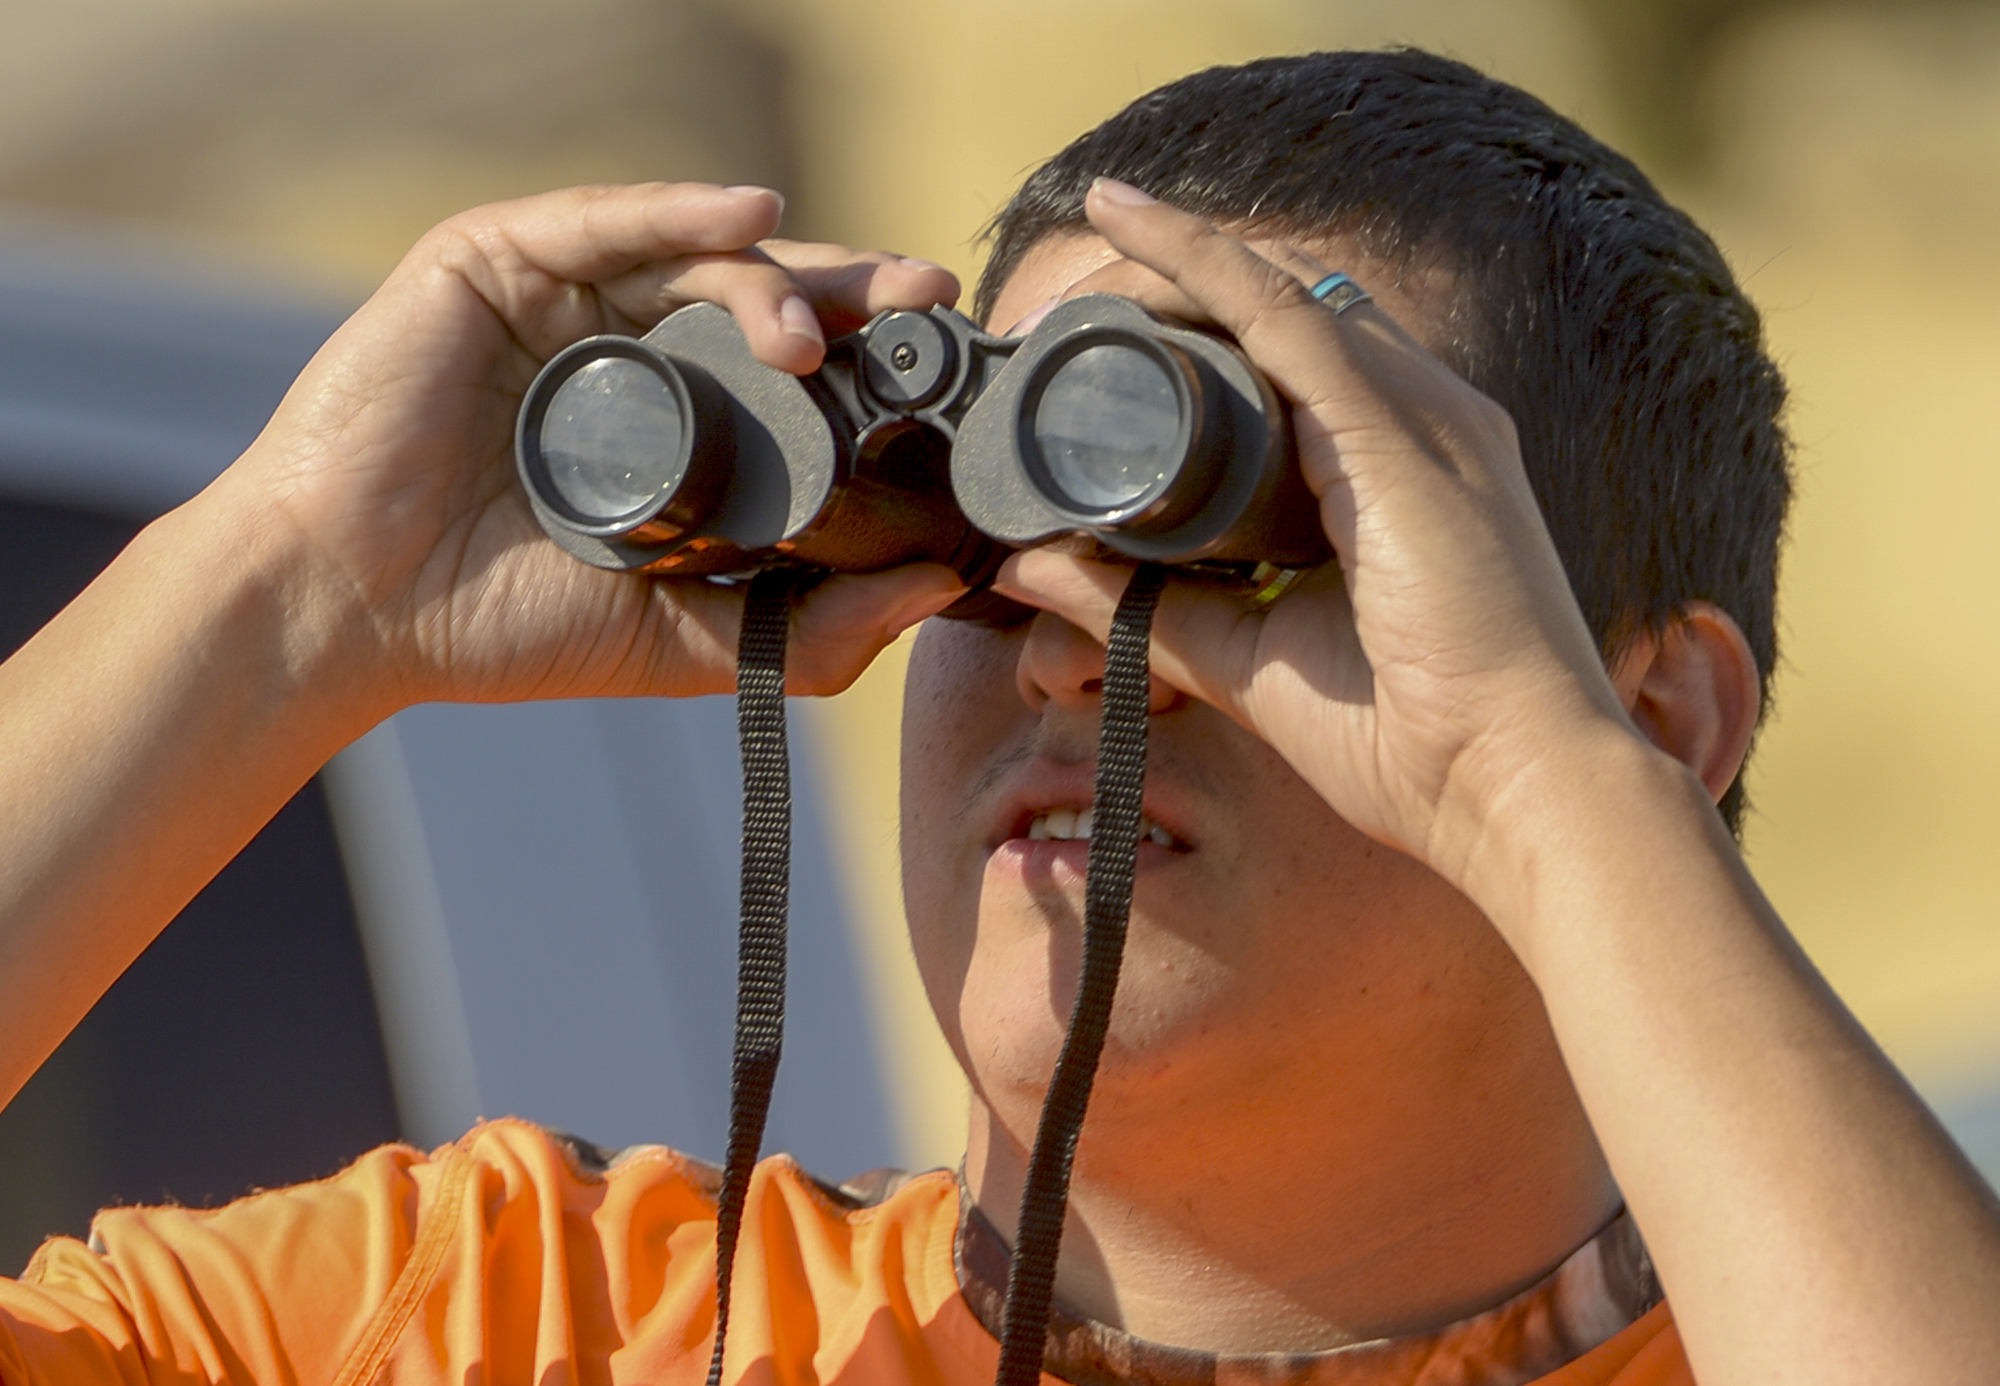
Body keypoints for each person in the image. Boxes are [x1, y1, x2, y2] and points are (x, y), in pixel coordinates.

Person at [0, 47, 1995, 1386]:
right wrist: (284, 590)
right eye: (981, 526)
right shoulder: (493, 1321)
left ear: (1659, 717)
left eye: (1241, 537)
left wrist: (1540, 782)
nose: (1064, 646)